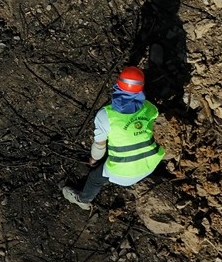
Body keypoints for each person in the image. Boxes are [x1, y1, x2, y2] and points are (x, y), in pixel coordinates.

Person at [62, 66, 166, 209]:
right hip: (151, 164)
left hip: (123, 173)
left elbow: (99, 147)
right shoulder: (150, 108)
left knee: (94, 179)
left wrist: (94, 159)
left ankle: (83, 200)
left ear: (118, 85)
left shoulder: (105, 115)